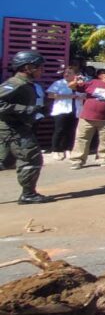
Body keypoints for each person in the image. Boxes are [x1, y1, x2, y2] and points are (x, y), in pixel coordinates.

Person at [0, 51, 50, 203]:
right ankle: (28, 195)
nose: (42, 70)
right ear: (28, 67)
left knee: (5, 161)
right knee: (32, 158)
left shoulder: (28, 84)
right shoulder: (15, 83)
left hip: (18, 126)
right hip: (13, 129)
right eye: (39, 67)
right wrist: (26, 109)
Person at [69, 63, 105, 168]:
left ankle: (104, 159)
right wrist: (74, 81)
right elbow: (73, 86)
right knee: (82, 139)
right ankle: (77, 160)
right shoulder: (92, 83)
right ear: (100, 74)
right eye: (104, 72)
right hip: (87, 117)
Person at [47, 65, 85, 160]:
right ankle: (56, 150)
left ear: (76, 75)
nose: (66, 74)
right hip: (62, 110)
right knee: (59, 130)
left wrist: (80, 96)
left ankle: (68, 148)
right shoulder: (58, 83)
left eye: (70, 73)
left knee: (72, 131)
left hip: (76, 110)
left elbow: (86, 95)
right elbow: (50, 95)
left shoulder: (81, 84)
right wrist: (68, 96)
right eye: (65, 73)